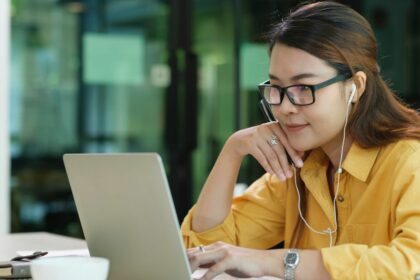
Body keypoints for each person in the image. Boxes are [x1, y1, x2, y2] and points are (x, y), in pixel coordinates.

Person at [181, 1, 420, 279]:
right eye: (277, 88)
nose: (285, 107)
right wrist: (233, 150)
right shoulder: (299, 166)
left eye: (303, 88)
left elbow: (410, 262)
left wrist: (277, 262)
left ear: (356, 87)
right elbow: (203, 252)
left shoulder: (409, 160)